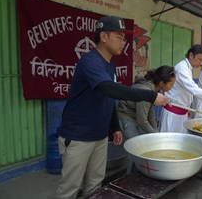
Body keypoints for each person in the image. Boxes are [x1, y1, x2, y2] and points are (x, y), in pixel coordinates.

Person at [56, 16, 170, 199]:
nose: (123, 42)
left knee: (95, 184)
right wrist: (151, 95)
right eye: (119, 36)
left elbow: (108, 97)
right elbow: (108, 88)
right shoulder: (90, 61)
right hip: (78, 136)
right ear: (104, 36)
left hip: (99, 136)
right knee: (69, 188)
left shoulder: (110, 65)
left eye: (124, 38)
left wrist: (115, 127)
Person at [117, 65, 176, 172]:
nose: (172, 86)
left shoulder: (156, 90)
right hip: (127, 117)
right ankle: (130, 179)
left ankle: (142, 173)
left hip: (137, 116)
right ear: (162, 83)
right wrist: (155, 134)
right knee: (134, 151)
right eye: (171, 84)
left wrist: (155, 131)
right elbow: (142, 120)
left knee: (146, 146)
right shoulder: (145, 91)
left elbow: (151, 112)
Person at [159, 44, 202, 133]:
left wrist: (187, 107)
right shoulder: (182, 68)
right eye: (200, 59)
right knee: (170, 141)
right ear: (191, 55)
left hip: (182, 111)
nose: (201, 63)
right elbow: (193, 89)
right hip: (174, 113)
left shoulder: (187, 68)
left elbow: (186, 91)